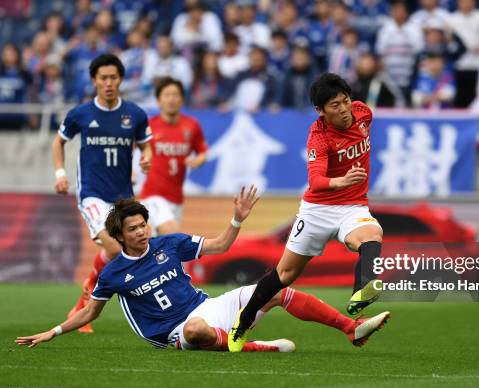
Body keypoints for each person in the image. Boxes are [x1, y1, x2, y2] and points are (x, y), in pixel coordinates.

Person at [15, 195, 390, 351]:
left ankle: (351, 329)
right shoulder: (113, 273)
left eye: (144, 224)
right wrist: (54, 331)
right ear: (120, 235)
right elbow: (90, 312)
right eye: (133, 228)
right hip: (175, 331)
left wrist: (236, 219)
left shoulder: (169, 243)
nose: (142, 231)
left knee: (272, 287)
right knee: (195, 330)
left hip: (208, 307)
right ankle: (258, 347)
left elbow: (220, 245)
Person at [229, 73, 384, 352]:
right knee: (285, 274)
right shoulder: (319, 137)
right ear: (320, 111)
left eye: (345, 101)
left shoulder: (364, 113)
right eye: (334, 106)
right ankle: (245, 318)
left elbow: (357, 113)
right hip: (317, 209)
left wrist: (348, 186)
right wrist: (340, 181)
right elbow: (316, 181)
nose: (344, 110)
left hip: (353, 206)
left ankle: (363, 289)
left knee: (371, 233)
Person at [52, 54, 152, 333]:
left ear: (120, 79)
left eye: (113, 77)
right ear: (95, 81)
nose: (108, 83)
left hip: (123, 197)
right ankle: (88, 299)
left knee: (138, 247)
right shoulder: (81, 114)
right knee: (112, 247)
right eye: (103, 78)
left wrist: (146, 157)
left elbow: (146, 145)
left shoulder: (135, 114)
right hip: (93, 194)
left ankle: (84, 298)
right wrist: (60, 174)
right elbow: (58, 142)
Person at [140, 77, 208, 235]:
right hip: (153, 195)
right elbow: (130, 148)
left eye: (175, 95)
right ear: (158, 100)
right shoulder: (150, 126)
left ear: (182, 99)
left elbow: (203, 152)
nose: (171, 99)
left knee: (161, 249)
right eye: (167, 95)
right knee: (172, 233)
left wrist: (198, 160)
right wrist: (134, 169)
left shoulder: (192, 125)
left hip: (176, 198)